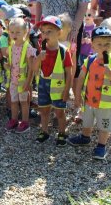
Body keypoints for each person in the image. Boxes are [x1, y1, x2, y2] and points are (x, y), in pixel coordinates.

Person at [67, 26, 111, 160]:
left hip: (105, 103)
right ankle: (85, 137)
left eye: (107, 44)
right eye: (99, 44)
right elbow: (80, 79)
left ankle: (101, 146)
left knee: (104, 125)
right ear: (93, 45)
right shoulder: (90, 60)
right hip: (89, 100)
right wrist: (77, 97)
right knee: (87, 122)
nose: (104, 47)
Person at [30, 16, 72, 146]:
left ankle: (62, 133)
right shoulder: (41, 49)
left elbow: (69, 73)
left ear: (59, 33)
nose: (45, 34)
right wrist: (38, 59)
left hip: (58, 86)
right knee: (44, 110)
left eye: (49, 31)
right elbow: (34, 69)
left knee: (59, 111)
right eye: (43, 32)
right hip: (43, 84)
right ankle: (44, 131)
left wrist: (67, 90)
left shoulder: (64, 51)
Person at [4, 18, 36, 133]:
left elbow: (31, 68)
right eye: (12, 32)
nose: (14, 35)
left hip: (23, 81)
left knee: (24, 102)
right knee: (13, 101)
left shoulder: (28, 48)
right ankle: (14, 120)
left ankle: (25, 122)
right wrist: (7, 65)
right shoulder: (11, 46)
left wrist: (28, 83)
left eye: (18, 32)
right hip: (13, 81)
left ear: (25, 32)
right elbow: (12, 62)